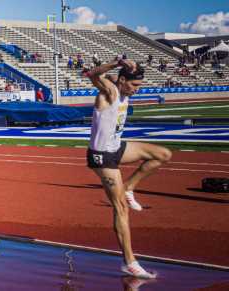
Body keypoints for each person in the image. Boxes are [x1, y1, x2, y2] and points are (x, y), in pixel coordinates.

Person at [85, 58, 171, 278]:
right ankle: (129, 262)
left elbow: (119, 76)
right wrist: (116, 62)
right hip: (102, 156)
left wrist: (129, 66)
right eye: (135, 86)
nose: (137, 90)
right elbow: (93, 75)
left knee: (162, 155)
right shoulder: (110, 92)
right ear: (122, 81)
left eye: (140, 86)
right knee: (121, 208)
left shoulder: (122, 87)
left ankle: (130, 187)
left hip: (117, 148)